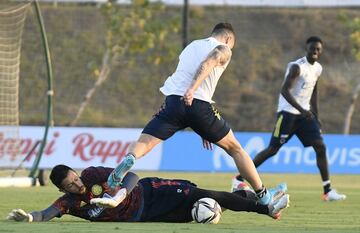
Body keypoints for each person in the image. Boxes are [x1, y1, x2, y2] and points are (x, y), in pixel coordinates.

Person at [106, 22, 276, 206]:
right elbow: (210, 61)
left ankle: (130, 159)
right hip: (198, 104)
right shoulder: (224, 48)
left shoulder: (192, 46)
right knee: (235, 149)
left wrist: (200, 126)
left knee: (143, 144)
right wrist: (192, 90)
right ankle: (263, 194)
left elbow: (180, 77)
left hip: (172, 103)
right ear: (228, 38)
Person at [231, 36, 346, 202]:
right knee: (272, 149)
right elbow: (285, 90)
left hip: (305, 116)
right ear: (306, 49)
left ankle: (327, 191)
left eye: (318, 49)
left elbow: (314, 92)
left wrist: (316, 116)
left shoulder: (318, 69)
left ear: (321, 51)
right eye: (312, 48)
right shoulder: (297, 67)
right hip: (287, 114)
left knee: (320, 146)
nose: (315, 51)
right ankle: (239, 178)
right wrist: (301, 109)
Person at [7, 165, 290, 223]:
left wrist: (119, 195)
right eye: (70, 185)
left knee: (202, 194)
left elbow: (130, 176)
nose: (78, 185)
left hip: (149, 194)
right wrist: (29, 219)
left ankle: (264, 206)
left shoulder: (93, 175)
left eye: (75, 178)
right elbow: (46, 213)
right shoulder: (70, 203)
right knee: (204, 211)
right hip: (149, 217)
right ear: (62, 190)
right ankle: (241, 194)